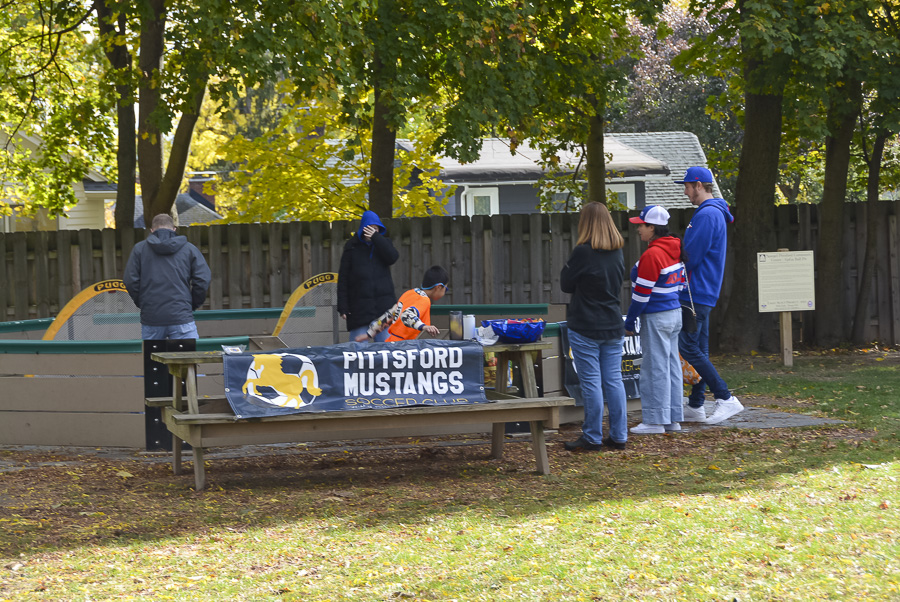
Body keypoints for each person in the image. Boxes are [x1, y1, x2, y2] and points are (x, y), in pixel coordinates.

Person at [676, 166, 743, 424]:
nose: (685, 192)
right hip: (704, 291)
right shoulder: (714, 212)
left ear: (698, 185)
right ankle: (696, 405)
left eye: (687, 187)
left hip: (694, 291)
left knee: (687, 346)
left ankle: (725, 397)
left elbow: (691, 256)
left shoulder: (706, 215)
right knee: (699, 348)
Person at [559, 202, 628, 452]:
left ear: (585, 223)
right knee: (614, 381)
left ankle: (592, 437)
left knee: (591, 383)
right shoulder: (617, 252)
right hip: (612, 323)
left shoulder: (583, 252)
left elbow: (565, 284)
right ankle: (619, 436)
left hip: (586, 325)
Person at [623, 206, 686, 434]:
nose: (638, 229)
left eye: (641, 225)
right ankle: (672, 418)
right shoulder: (675, 248)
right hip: (674, 313)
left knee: (653, 368)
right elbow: (682, 284)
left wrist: (630, 320)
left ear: (652, 227)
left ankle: (654, 421)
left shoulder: (652, 254)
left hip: (657, 316)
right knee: (671, 366)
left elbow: (641, 294)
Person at [123, 213, 211, 340]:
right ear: (174, 229)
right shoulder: (189, 249)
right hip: (181, 316)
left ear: (152, 230)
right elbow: (202, 280)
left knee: (153, 353)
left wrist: (144, 304)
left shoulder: (139, 250)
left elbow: (130, 281)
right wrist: (191, 304)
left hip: (152, 317)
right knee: (186, 353)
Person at [338, 210, 400, 342]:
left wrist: (376, 238)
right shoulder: (351, 247)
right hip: (359, 309)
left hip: (383, 310)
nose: (372, 231)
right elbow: (343, 278)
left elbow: (393, 257)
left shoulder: (383, 244)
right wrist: (343, 306)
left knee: (386, 349)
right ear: (363, 229)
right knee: (357, 350)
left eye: (375, 228)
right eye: (369, 228)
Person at [358, 265, 448, 342]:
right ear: (439, 287)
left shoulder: (409, 293)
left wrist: (370, 333)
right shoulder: (424, 300)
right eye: (446, 289)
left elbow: (390, 314)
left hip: (391, 344)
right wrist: (424, 327)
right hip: (404, 348)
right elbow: (406, 315)